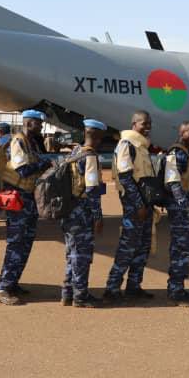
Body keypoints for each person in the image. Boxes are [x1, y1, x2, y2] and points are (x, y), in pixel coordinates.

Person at [0, 109, 49, 305]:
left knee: (26, 243)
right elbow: (23, 170)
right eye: (38, 123)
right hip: (18, 199)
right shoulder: (18, 141)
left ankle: (12, 282)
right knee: (16, 244)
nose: (41, 126)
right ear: (28, 122)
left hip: (28, 199)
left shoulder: (31, 143)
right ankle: (3, 288)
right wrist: (44, 165)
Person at [104, 110, 156, 305]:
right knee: (127, 248)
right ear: (134, 124)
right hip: (134, 205)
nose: (148, 126)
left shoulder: (142, 146)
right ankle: (112, 289)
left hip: (145, 205)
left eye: (149, 123)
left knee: (142, 247)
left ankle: (134, 287)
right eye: (144, 123)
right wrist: (139, 205)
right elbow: (125, 177)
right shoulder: (126, 144)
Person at [60, 118, 107, 308]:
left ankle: (68, 293)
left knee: (72, 254)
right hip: (82, 212)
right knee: (81, 255)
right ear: (97, 137)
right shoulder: (90, 157)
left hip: (69, 210)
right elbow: (92, 190)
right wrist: (98, 216)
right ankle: (80, 296)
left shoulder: (75, 152)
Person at [163, 120, 189, 307]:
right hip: (180, 210)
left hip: (187, 207)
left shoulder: (187, 153)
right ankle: (175, 291)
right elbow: (173, 183)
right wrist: (185, 207)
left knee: (185, 249)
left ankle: (178, 287)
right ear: (182, 134)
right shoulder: (176, 153)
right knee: (180, 249)